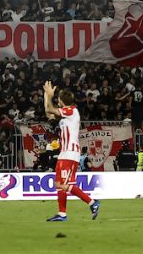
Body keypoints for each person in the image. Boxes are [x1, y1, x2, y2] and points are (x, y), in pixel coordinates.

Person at [42, 81, 100, 222]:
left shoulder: (72, 111)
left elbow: (50, 110)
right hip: (65, 152)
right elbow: (48, 113)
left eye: (58, 99)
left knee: (63, 184)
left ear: (61, 101)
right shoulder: (65, 114)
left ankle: (92, 202)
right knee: (60, 184)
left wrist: (49, 97)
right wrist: (46, 95)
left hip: (70, 152)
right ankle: (62, 214)